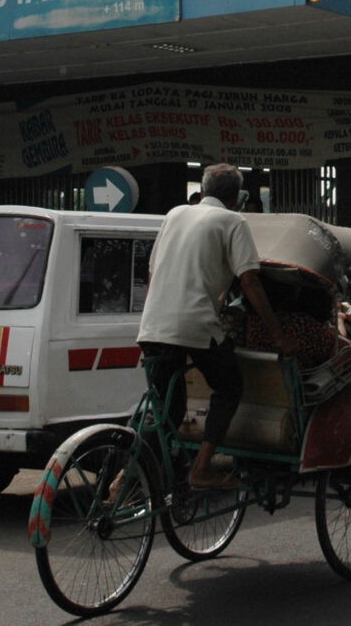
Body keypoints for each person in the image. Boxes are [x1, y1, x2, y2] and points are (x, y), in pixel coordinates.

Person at [137, 164, 293, 489]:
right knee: (229, 386)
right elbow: (249, 281)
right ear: (236, 197)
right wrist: (278, 335)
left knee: (169, 409)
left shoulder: (174, 215)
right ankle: (202, 468)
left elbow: (152, 274)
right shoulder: (233, 221)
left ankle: (123, 479)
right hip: (194, 325)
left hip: (152, 325)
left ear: (204, 191)